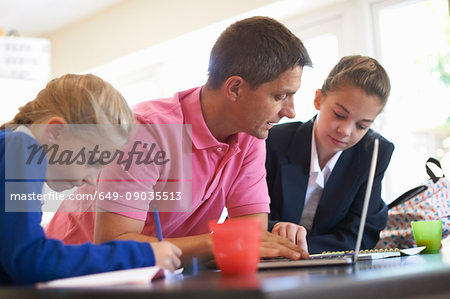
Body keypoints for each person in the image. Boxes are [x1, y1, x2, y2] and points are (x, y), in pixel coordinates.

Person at [45, 16, 313, 262]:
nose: (291, 112)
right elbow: (114, 244)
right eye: (279, 97)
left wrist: (276, 238)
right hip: (72, 272)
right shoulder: (146, 131)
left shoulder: (251, 135)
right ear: (234, 88)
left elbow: (249, 238)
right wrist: (216, 242)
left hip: (162, 273)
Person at [0, 74, 181, 285]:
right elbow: (29, 260)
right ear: (55, 131)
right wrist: (142, 255)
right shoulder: (20, 146)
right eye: (92, 160)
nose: (93, 180)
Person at [266, 55, 394, 253]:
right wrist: (274, 228)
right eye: (339, 115)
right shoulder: (273, 142)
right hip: (269, 264)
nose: (346, 131)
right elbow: (246, 220)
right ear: (318, 99)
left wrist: (301, 249)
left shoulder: (375, 153)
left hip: (334, 272)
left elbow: (362, 233)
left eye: (362, 126)